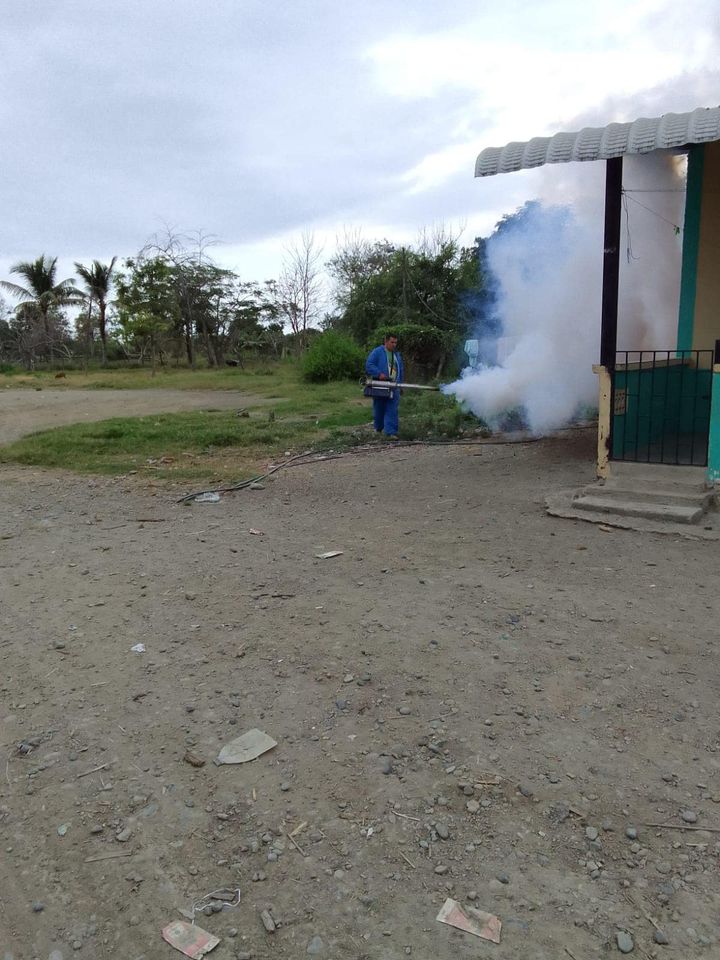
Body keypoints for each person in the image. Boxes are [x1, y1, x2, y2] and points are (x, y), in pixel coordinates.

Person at [365, 333, 404, 439]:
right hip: (381, 385)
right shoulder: (377, 352)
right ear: (386, 341)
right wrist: (379, 374)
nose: (394, 344)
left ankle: (391, 433)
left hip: (394, 386)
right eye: (392, 342)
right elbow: (369, 365)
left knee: (392, 409)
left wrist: (401, 385)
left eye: (395, 342)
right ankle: (378, 429)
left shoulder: (396, 355)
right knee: (379, 408)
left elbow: (401, 369)